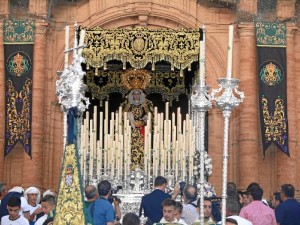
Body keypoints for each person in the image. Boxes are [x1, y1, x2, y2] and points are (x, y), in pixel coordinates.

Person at [121, 89, 153, 170]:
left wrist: (142, 122)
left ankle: (142, 163)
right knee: (130, 147)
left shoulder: (145, 105)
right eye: (134, 94)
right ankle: (131, 163)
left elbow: (150, 116)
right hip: (131, 130)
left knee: (142, 147)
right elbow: (122, 115)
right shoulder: (128, 105)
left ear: (140, 95)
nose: (136, 95)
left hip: (142, 130)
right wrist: (131, 121)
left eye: (138, 94)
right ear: (132, 95)